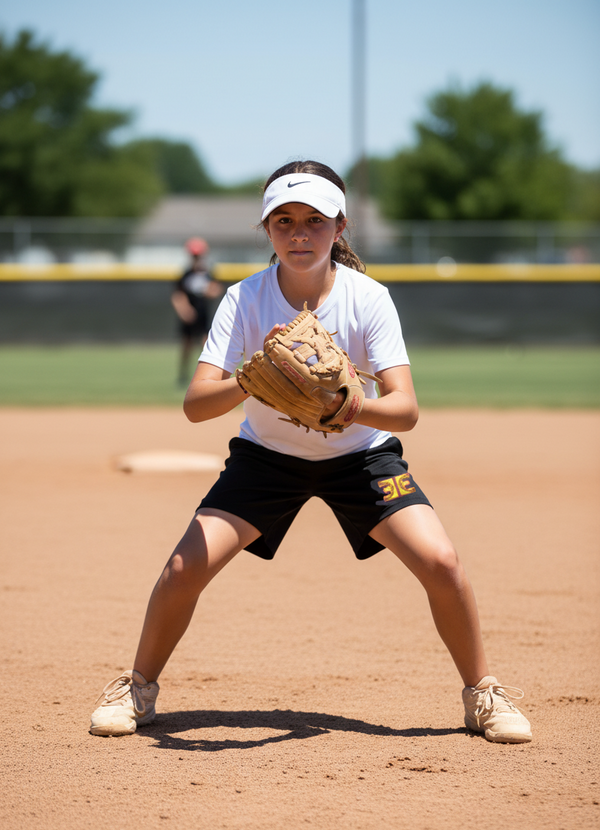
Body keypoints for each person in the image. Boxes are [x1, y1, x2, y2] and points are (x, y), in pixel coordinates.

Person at [91, 161, 532, 744]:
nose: (300, 234)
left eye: (314, 222)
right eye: (285, 220)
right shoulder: (244, 300)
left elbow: (405, 410)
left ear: (339, 228)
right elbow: (197, 405)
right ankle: (138, 688)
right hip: (266, 459)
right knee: (182, 569)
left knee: (443, 564)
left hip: (360, 458)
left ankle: (482, 695)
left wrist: (345, 408)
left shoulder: (368, 299)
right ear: (267, 229)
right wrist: (255, 378)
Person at [171, 237, 223, 384]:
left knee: (206, 346)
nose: (196, 258)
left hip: (203, 315)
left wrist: (209, 291)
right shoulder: (186, 274)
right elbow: (178, 295)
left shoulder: (208, 273)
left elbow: (217, 289)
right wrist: (184, 310)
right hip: (189, 317)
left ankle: (207, 376)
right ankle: (183, 376)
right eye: (194, 256)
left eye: (198, 256)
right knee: (186, 346)